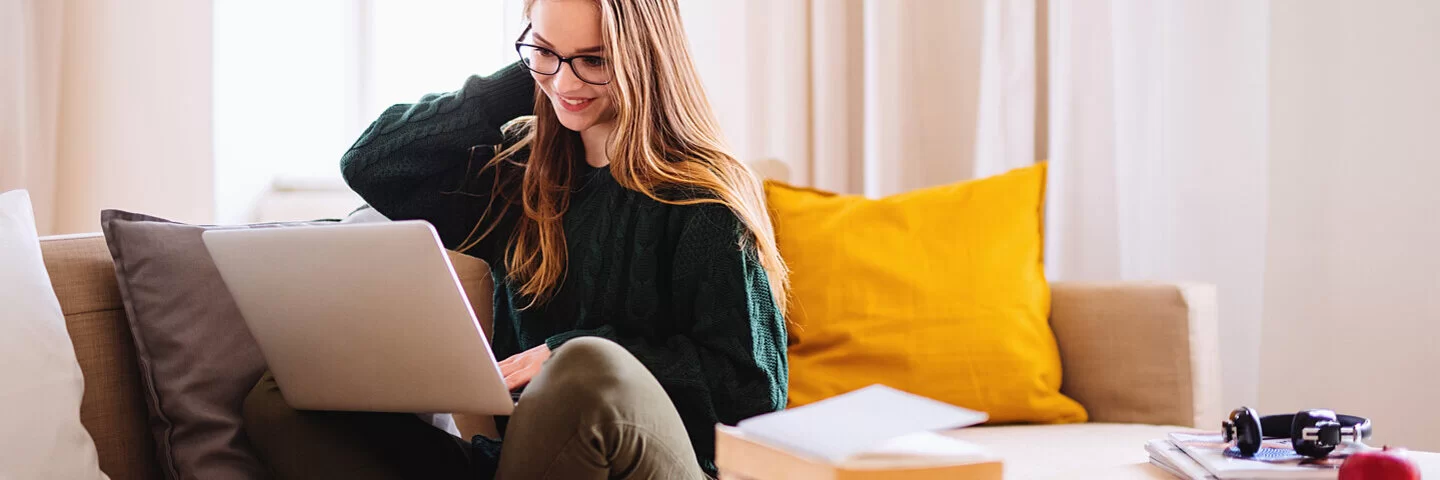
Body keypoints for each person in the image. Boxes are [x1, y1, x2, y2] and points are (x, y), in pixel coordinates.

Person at [240, 0, 790, 478]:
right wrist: (528, 79)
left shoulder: (703, 197)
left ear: (645, 57)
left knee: (585, 369)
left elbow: (752, 391)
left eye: (594, 60)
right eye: (545, 52)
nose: (567, 84)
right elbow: (373, 163)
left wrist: (563, 354)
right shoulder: (517, 176)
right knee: (283, 399)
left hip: (657, 466)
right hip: (520, 462)